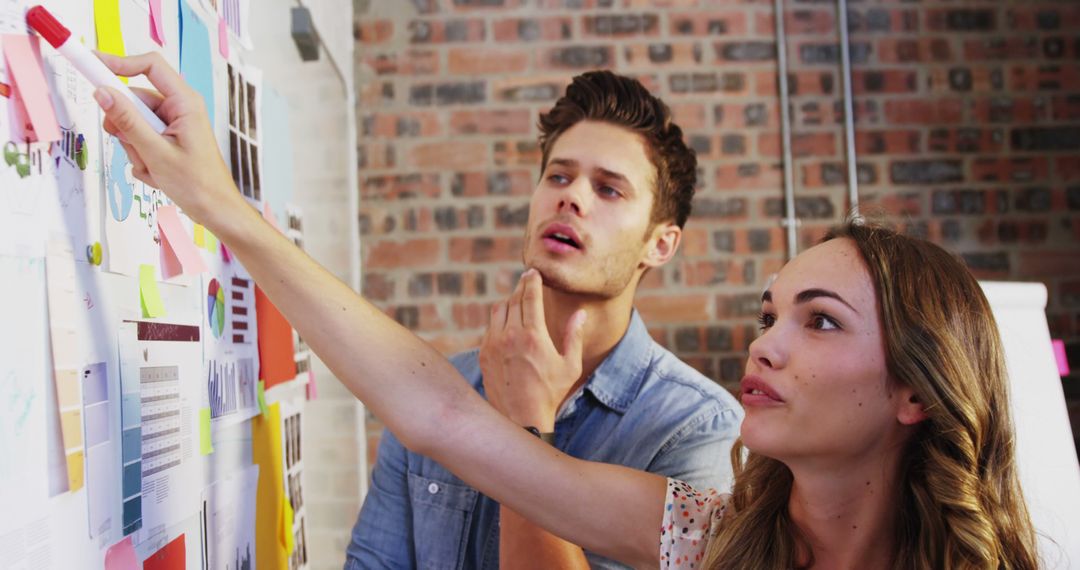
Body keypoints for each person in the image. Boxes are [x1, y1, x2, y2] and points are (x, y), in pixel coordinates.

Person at [95, 52, 1038, 569]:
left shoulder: (693, 437)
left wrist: (524, 421)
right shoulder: (712, 537)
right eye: (771, 314)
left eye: (819, 321)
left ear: (918, 390)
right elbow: (433, 414)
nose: (766, 345)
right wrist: (222, 209)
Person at [347, 70, 742, 569]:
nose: (571, 197)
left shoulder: (697, 429)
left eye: (609, 189)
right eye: (558, 176)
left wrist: (526, 426)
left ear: (659, 243)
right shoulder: (444, 391)